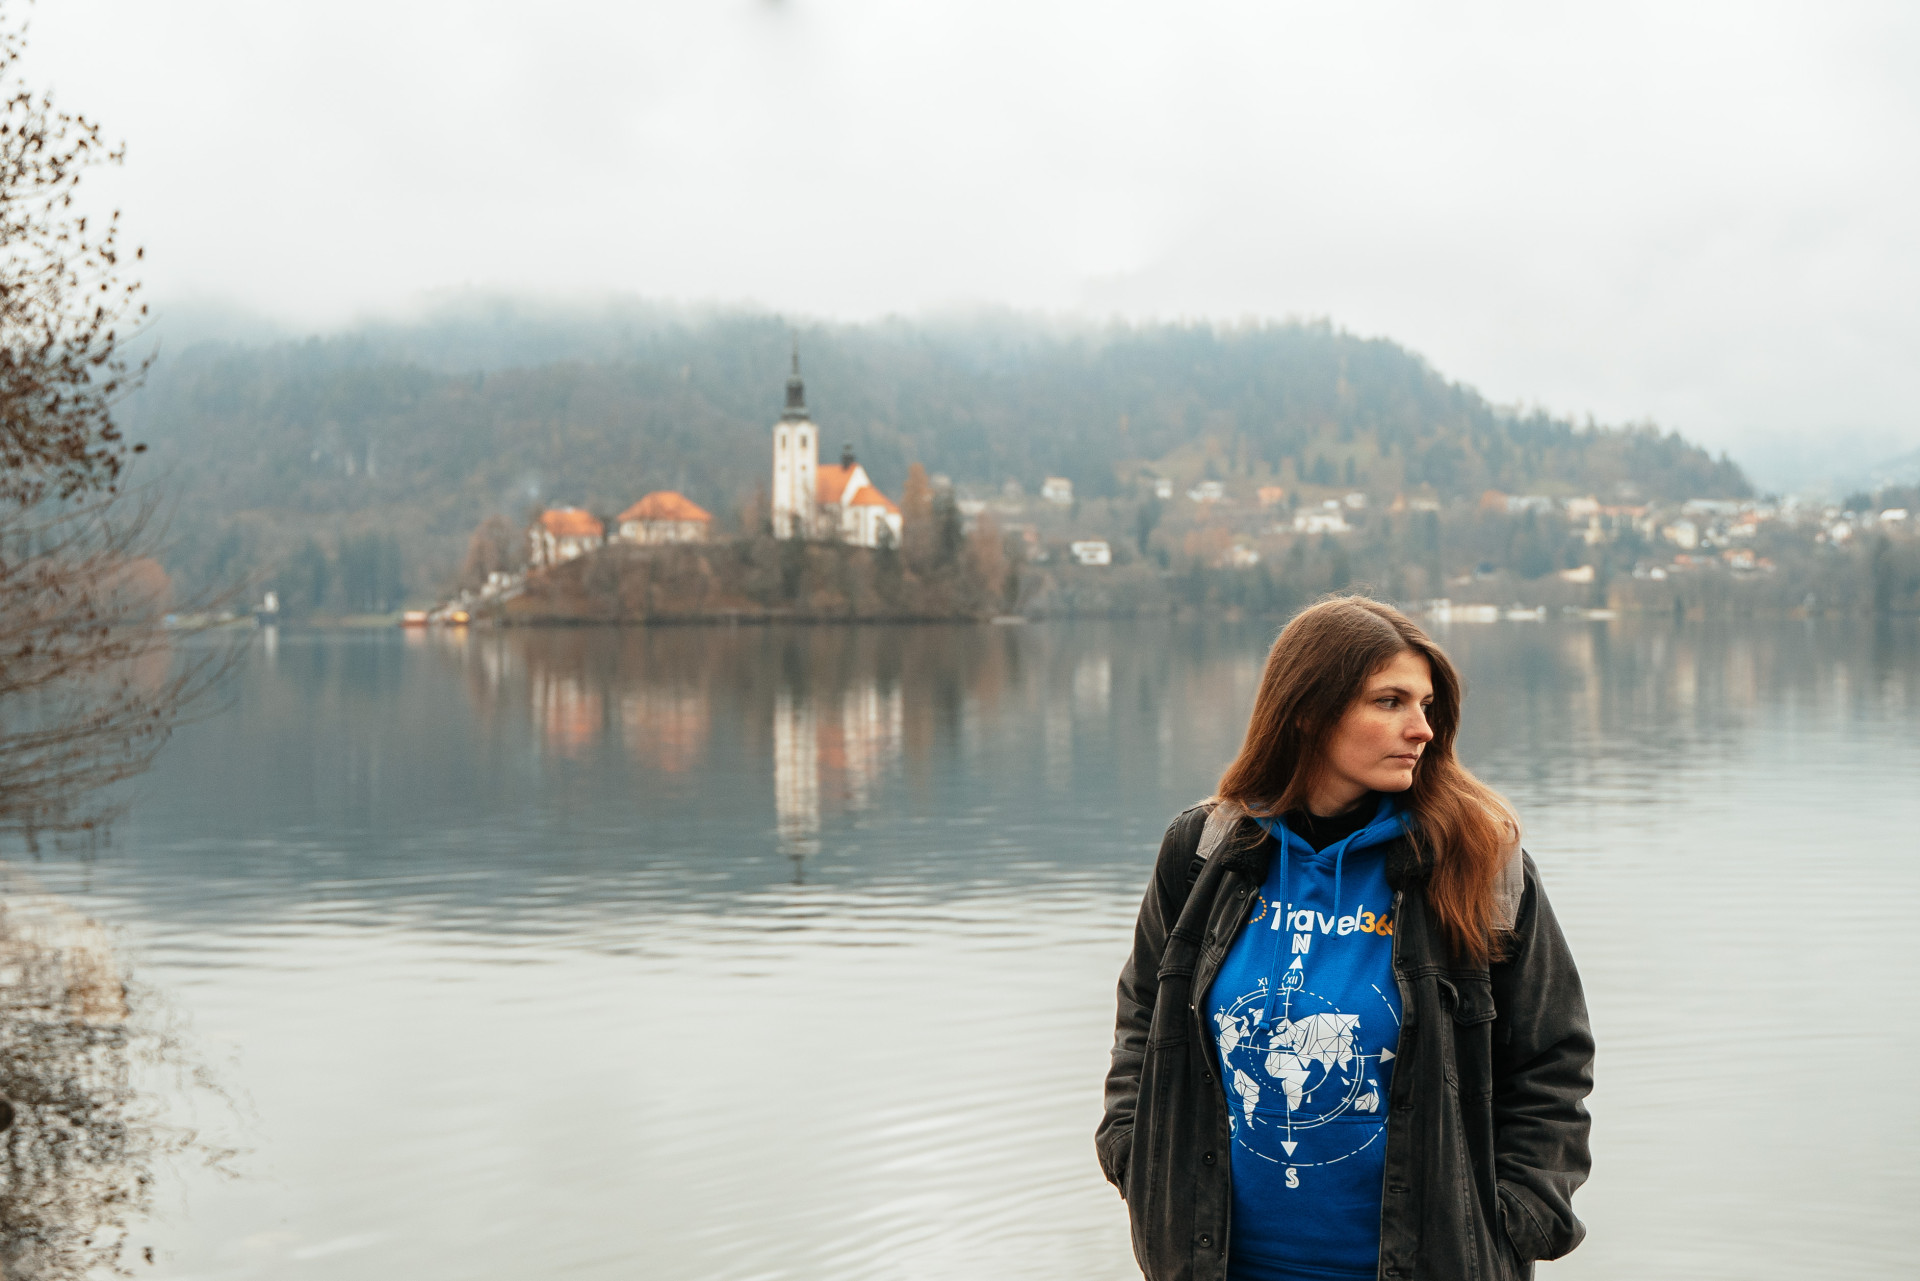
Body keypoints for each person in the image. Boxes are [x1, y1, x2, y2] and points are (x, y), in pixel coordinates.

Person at [1096, 596, 1593, 1281]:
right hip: (1215, 1264)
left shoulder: (1480, 864)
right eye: (1389, 701)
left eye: (1426, 705)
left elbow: (1551, 1059)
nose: (1421, 728)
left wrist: (1513, 1221)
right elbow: (1145, 1017)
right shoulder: (1204, 852)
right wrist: (1134, 1150)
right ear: (1307, 710)